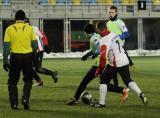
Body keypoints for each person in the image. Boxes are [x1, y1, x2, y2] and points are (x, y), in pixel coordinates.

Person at [66, 24, 128, 105]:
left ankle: (75, 99)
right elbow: (95, 49)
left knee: (85, 81)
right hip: (106, 63)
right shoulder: (96, 36)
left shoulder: (93, 38)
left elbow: (99, 47)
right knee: (104, 84)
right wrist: (87, 55)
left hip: (99, 64)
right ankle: (123, 90)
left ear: (85, 33)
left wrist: (96, 53)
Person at [93, 21, 148, 108]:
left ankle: (101, 103)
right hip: (124, 60)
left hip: (115, 63)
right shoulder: (114, 33)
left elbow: (103, 59)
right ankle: (141, 94)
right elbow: (122, 47)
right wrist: (130, 61)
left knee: (103, 81)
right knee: (128, 80)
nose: (97, 32)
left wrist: (98, 70)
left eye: (97, 30)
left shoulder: (104, 40)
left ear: (99, 30)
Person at [3, 10, 37, 110]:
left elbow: (6, 47)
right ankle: (25, 99)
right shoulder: (30, 28)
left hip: (15, 57)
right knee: (28, 80)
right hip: (27, 57)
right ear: (24, 18)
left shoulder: (9, 29)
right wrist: (30, 52)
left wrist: (5, 61)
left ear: (15, 18)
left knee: (12, 82)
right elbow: (35, 45)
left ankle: (14, 104)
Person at [25, 18, 58, 86]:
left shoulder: (34, 28)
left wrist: (46, 45)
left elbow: (43, 36)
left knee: (37, 68)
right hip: (30, 52)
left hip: (38, 51)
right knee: (29, 68)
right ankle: (38, 81)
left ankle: (50, 75)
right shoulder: (25, 29)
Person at [106, 6, 135, 85]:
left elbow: (126, 34)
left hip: (120, 47)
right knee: (112, 65)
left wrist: (118, 38)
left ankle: (129, 83)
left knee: (123, 73)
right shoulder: (107, 23)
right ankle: (116, 85)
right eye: (109, 12)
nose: (110, 14)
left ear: (116, 13)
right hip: (111, 48)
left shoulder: (120, 22)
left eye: (112, 12)